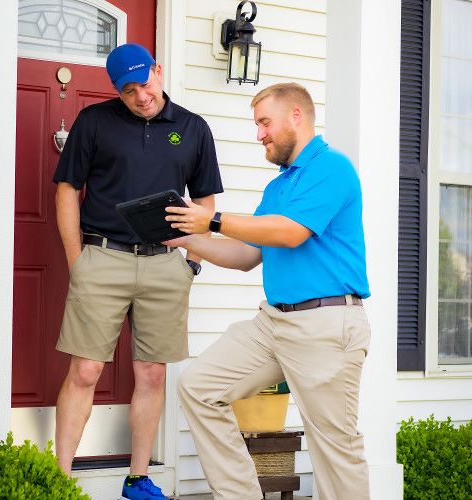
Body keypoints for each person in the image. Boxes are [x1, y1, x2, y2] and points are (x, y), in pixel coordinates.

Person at [165, 83, 371, 500]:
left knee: (335, 449)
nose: (259, 134)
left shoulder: (332, 169)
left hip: (325, 325)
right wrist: (186, 239)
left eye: (264, 123)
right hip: (273, 323)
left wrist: (213, 218)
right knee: (198, 386)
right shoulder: (278, 187)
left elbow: (290, 233)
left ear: (296, 116)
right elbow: (246, 254)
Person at [52, 43, 223, 500]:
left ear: (158, 71)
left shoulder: (192, 128)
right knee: (86, 370)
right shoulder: (94, 122)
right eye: (129, 91)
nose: (141, 97)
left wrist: (192, 262)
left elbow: (205, 202)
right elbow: (68, 189)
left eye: (145, 84)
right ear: (117, 91)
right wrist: (77, 260)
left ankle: (137, 478)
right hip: (103, 258)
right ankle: (58, 480)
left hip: (167, 265)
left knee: (151, 375)